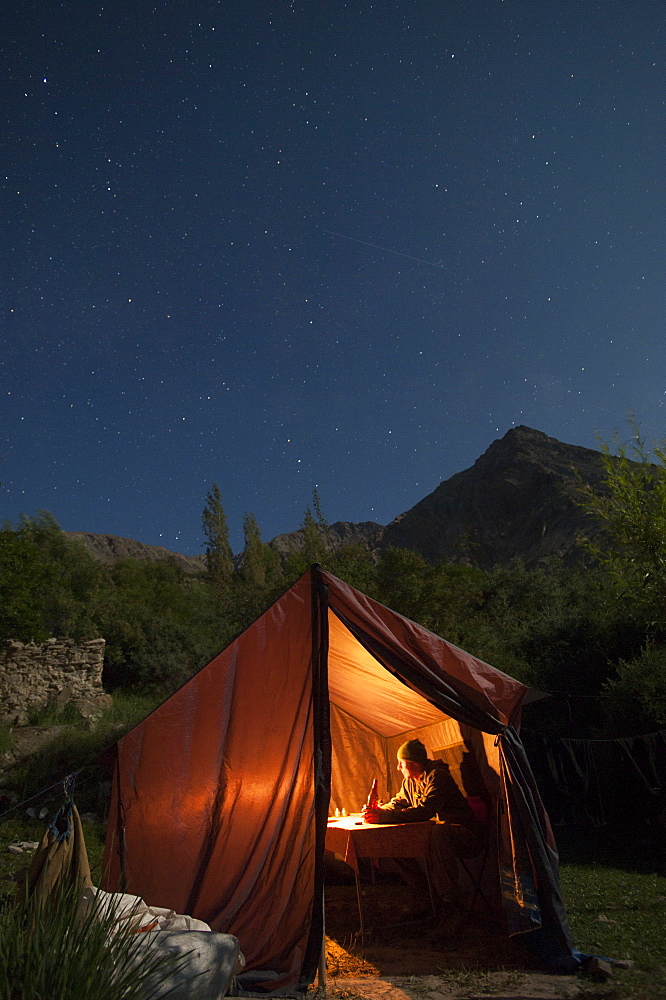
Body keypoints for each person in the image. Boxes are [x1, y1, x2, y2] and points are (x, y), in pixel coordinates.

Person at [363, 739, 484, 926]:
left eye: (401, 764)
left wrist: (384, 817)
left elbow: (425, 811)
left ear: (413, 764)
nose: (398, 768)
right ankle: (424, 895)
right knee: (391, 838)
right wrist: (378, 811)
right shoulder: (409, 782)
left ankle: (452, 903)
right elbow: (398, 803)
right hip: (437, 837)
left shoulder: (438, 777)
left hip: (466, 834)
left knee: (438, 833)